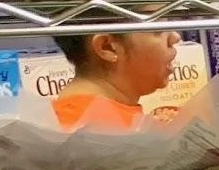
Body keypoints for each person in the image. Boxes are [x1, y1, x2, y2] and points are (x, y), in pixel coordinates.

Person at [52, 29, 182, 130]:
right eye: (157, 29)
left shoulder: (102, 120)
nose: (175, 37)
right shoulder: (88, 131)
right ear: (107, 47)